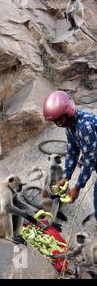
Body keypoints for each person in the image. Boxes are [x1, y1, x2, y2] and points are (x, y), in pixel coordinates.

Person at [43, 91, 97, 229]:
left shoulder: (86, 126)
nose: (59, 124)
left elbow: (89, 160)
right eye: (56, 121)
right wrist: (66, 177)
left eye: (60, 119)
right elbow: (72, 151)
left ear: (69, 110)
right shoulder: (69, 126)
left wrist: (78, 187)